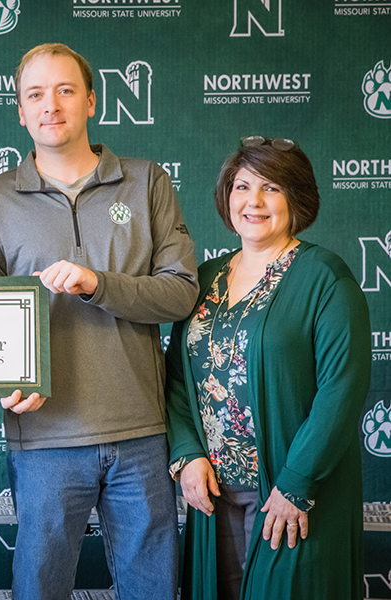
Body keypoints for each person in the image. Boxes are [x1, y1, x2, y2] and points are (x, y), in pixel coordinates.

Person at [0, 43, 198, 600]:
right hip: (43, 438)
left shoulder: (146, 183)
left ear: (92, 100)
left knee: (152, 589)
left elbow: (181, 293)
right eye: (36, 94)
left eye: (66, 90)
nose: (52, 104)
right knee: (39, 589)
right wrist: (2, 385)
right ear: (20, 111)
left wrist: (98, 284)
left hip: (141, 430)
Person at [164, 137, 370, 600]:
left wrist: (297, 483)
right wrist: (186, 455)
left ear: (295, 199)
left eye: (271, 188)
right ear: (226, 197)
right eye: (242, 186)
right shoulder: (205, 278)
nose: (253, 201)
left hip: (289, 491)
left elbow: (342, 388)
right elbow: (176, 376)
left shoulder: (324, 277)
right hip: (214, 494)